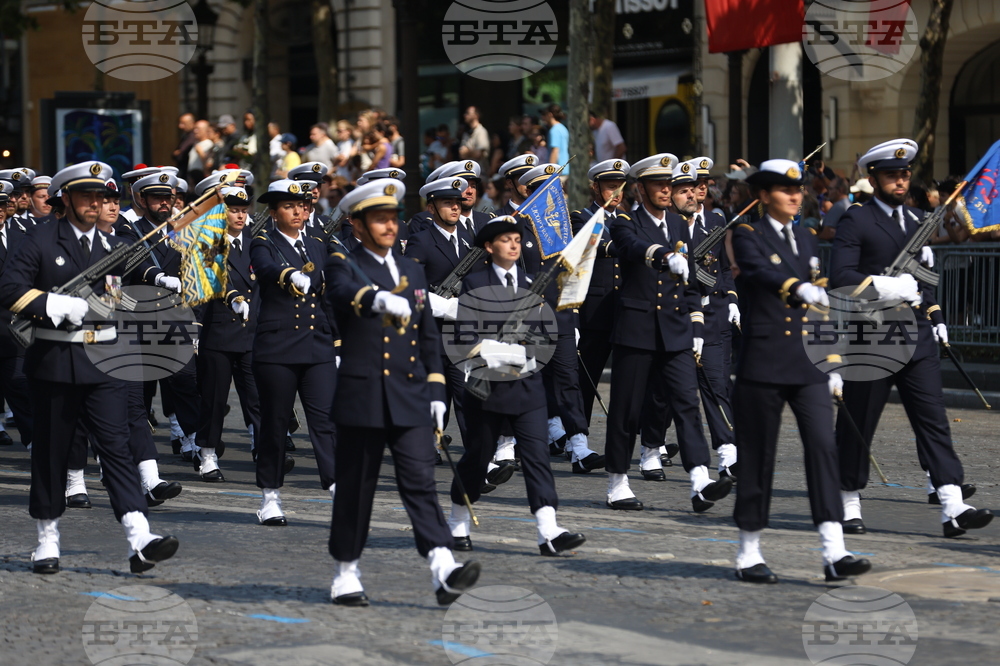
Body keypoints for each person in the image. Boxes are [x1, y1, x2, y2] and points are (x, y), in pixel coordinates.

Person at [0, 161, 179, 574]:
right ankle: (47, 537)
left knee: (116, 448)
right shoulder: (38, 239)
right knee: (50, 454)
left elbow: (117, 294)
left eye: (101, 197)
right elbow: (9, 289)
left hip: (105, 363)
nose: (95, 204)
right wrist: (54, 304)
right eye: (86, 196)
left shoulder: (113, 245)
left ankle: (140, 537)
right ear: (66, 198)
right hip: (55, 365)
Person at [324, 178, 481, 606]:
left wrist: (434, 390)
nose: (390, 226)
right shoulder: (345, 261)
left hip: (410, 394)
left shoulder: (412, 270)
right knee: (357, 487)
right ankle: (346, 571)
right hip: (363, 395)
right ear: (358, 223)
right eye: (379, 219)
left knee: (420, 480)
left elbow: (428, 334)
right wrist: (374, 299)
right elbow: (338, 291)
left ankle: (442, 566)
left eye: (393, 217)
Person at [829, 139, 992, 539]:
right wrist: (886, 286)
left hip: (916, 336)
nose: (900, 181)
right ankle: (848, 497)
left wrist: (935, 313)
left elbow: (924, 278)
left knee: (932, 419)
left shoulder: (919, 219)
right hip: (872, 337)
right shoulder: (857, 219)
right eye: (891, 175)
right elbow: (841, 279)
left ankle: (952, 503)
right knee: (858, 424)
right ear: (874, 178)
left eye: (904, 174)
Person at [729, 158, 871, 584]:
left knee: (824, 449)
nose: (795, 196)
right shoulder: (747, 234)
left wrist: (831, 363)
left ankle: (834, 550)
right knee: (759, 456)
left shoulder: (807, 238)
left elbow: (820, 308)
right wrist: (795, 288)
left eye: (799, 189)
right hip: (765, 363)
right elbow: (758, 271)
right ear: (762, 195)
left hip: (807, 364)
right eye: (784, 189)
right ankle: (748, 552)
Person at [448, 215, 587, 557]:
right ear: (488, 247)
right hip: (488, 387)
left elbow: (545, 333)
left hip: (527, 387)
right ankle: (458, 519)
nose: (513, 244)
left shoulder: (532, 283)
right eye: (505, 239)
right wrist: (495, 351)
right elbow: (465, 336)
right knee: (477, 459)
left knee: (538, 457)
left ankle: (548, 529)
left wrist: (530, 353)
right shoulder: (474, 283)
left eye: (516, 239)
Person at [603, 153, 732, 512]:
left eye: (669, 184)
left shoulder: (678, 225)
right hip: (637, 330)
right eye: (658, 184)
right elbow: (629, 245)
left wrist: (696, 325)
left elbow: (690, 281)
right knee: (627, 410)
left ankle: (699, 480)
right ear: (641, 188)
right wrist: (661, 254)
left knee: (687, 405)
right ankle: (617, 482)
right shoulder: (627, 220)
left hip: (675, 330)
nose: (665, 190)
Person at [249, 179, 339, 526]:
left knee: (327, 421)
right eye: (289, 206)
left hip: (317, 346)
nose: (298, 211)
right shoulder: (263, 241)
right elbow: (267, 268)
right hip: (277, 349)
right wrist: (289, 275)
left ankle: (336, 489)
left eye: (302, 205)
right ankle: (270, 496)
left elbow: (328, 295)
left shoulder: (317, 244)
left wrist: (338, 343)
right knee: (274, 424)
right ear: (273, 212)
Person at [116, 172, 200, 461]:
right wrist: (159, 277)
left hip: (175, 316)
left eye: (169, 198)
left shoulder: (182, 228)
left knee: (186, 379)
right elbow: (130, 257)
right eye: (157, 198)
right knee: (140, 390)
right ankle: (131, 451)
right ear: (142, 199)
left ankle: (194, 440)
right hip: (140, 317)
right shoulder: (129, 227)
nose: (164, 204)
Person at [194, 186, 262, 481]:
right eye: (234, 210)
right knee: (214, 398)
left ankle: (263, 448)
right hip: (219, 331)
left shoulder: (257, 241)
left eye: (243, 210)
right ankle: (207, 454)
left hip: (252, 332)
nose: (240, 215)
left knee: (258, 397)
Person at [571, 160, 626, 430]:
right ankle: (578, 437)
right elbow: (593, 245)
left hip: (624, 309)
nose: (616, 194)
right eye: (610, 188)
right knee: (587, 378)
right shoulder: (581, 217)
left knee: (631, 378)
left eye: (620, 188)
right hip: (594, 312)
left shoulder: (628, 219)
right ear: (596, 187)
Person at [459, 106, 490, 174]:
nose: (465, 115)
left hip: (481, 174)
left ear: (476, 115)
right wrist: (472, 152)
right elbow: (461, 154)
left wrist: (467, 151)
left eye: (468, 113)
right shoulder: (466, 133)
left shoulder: (482, 131)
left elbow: (479, 154)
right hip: (467, 172)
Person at [540, 104, 569, 173]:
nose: (542, 117)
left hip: (558, 172)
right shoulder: (562, 128)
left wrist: (550, 172)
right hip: (565, 170)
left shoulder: (554, 130)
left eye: (544, 114)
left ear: (550, 115)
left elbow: (555, 151)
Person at [173, 113, 197, 180]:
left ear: (192, 123)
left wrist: (179, 152)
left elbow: (181, 153)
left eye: (183, 123)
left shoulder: (193, 136)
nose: (180, 126)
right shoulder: (185, 136)